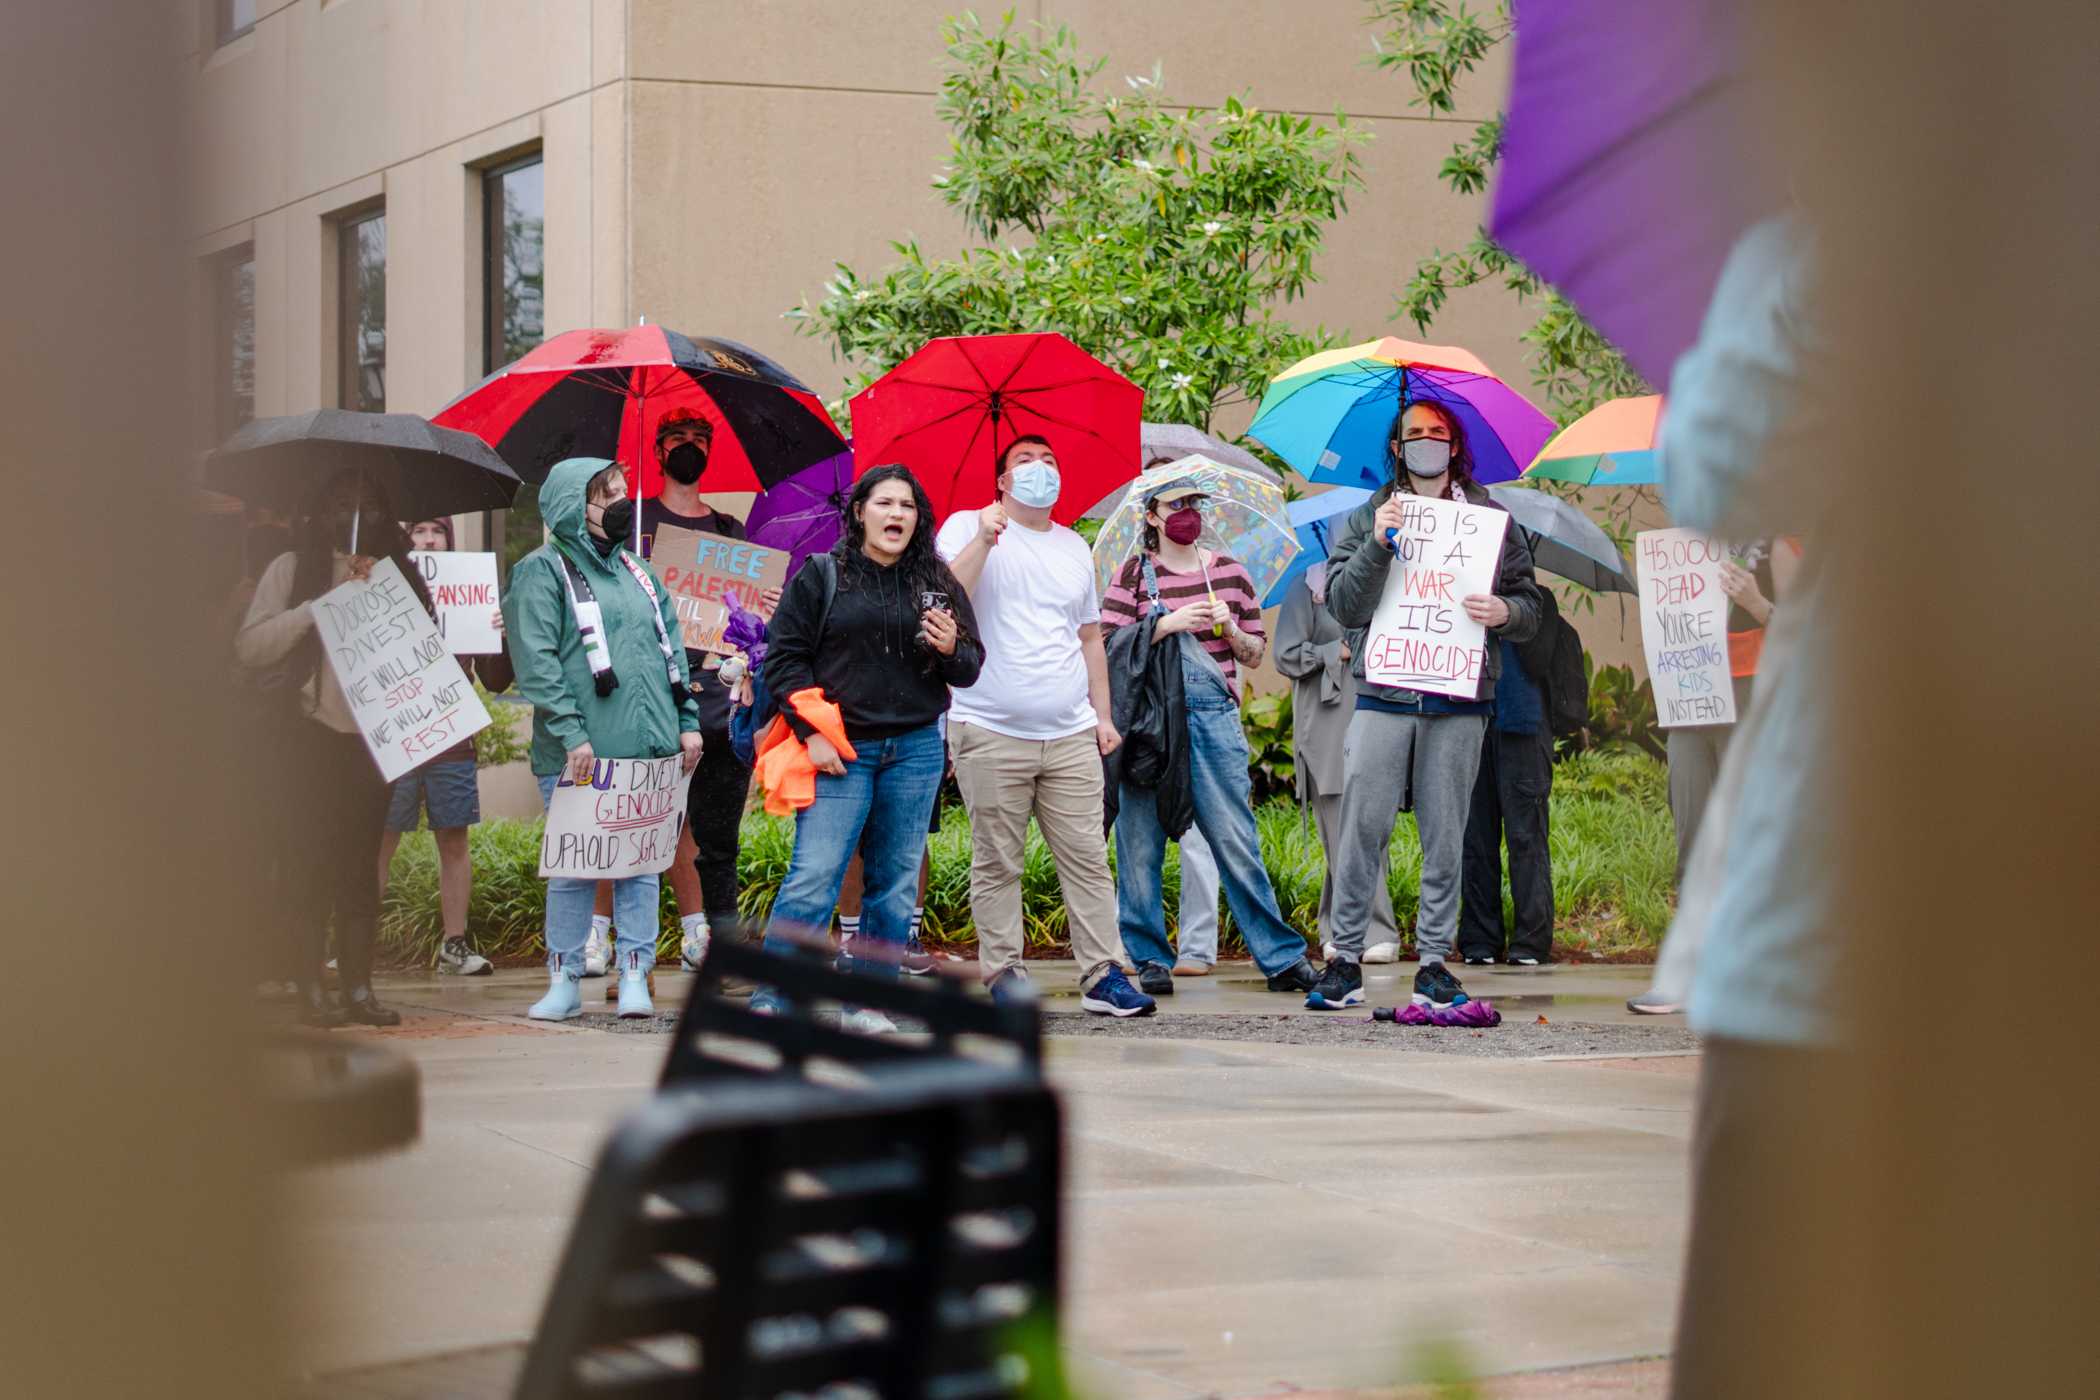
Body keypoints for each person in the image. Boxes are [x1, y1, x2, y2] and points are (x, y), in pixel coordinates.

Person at [1310, 400, 1544, 1012]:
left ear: (1455, 445)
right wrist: (1379, 544)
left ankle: (1435, 962)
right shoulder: (1368, 517)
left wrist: (1507, 612)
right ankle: (1344, 959)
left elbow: (1530, 606)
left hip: (1460, 700)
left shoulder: (1492, 520)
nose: (1425, 443)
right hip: (1384, 695)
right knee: (1363, 828)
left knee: (1448, 835)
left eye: (1436, 434)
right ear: (1396, 448)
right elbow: (1343, 605)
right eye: (1414, 435)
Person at [755, 465, 984, 1031]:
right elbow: (784, 661)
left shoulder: (935, 579)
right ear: (860, 512)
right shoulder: (821, 575)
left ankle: (869, 1002)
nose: (897, 515)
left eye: (907, 506)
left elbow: (971, 667)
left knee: (895, 884)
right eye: (885, 503)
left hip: (915, 749)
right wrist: (811, 734)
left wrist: (953, 647)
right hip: (840, 750)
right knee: (815, 875)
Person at [936, 434, 1156, 1016]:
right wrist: (985, 537)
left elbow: (1089, 638)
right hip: (988, 724)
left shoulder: (1074, 548)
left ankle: (1103, 973)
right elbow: (944, 596)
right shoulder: (968, 526)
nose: (1041, 470)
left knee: (1087, 855)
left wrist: (1102, 717)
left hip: (1069, 732)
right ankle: (1004, 969)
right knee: (997, 859)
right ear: (1002, 481)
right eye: (1025, 462)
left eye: (1050, 461)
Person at [1099, 478, 1323, 998]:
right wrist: (1164, 624)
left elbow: (1253, 654)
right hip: (1150, 723)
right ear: (1152, 516)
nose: (1188, 512)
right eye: (1176, 504)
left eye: (1194, 503)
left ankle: (1281, 957)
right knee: (1139, 841)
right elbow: (1105, 646)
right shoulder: (1133, 575)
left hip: (1213, 718)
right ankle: (1149, 956)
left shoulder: (1229, 572)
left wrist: (1230, 629)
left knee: (1235, 838)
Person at [579, 407, 778, 980]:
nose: (689, 446)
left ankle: (718, 943)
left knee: (718, 835)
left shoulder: (729, 532)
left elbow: (753, 626)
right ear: (658, 450)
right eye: (677, 439)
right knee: (630, 819)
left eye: (699, 439)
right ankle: (602, 940)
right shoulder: (635, 527)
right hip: (650, 699)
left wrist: (763, 610)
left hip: (720, 704)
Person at [504, 457, 704, 1021]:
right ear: (575, 504)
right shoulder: (541, 572)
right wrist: (571, 734)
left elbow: (672, 653)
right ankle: (564, 978)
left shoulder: (640, 573)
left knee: (640, 867)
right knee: (576, 869)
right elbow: (537, 662)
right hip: (580, 755)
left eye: (622, 488)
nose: (622, 498)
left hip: (650, 753)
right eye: (607, 492)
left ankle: (636, 974)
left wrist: (686, 722)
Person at [236, 469, 437, 1028]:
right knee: (307, 865)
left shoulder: (398, 576)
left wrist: (379, 596)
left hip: (370, 748)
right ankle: (310, 990)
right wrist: (317, 607)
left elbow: (426, 655)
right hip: (304, 740)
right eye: (342, 504)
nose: (354, 516)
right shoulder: (290, 569)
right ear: (320, 511)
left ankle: (357, 989)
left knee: (358, 870)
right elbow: (251, 647)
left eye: (368, 506)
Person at [1631, 533, 1798, 1014]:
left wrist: (1759, 603)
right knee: (1692, 832)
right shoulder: (1685, 539)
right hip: (1690, 690)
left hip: (1755, 692)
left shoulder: (1784, 539)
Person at [373, 516, 512, 977]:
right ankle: (361, 942)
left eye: (438, 532)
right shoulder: (382, 586)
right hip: (397, 734)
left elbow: (495, 681)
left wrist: (499, 633)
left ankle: (454, 945)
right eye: (419, 532)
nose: (430, 540)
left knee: (454, 839)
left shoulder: (466, 592)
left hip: (451, 739)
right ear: (405, 539)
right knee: (381, 839)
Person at [1273, 563, 1401, 962]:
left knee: (1369, 828)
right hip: (1327, 726)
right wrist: (1334, 651)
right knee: (1340, 833)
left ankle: (1337, 926)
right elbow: (1285, 654)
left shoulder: (1387, 580)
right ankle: (1372, 931)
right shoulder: (1307, 585)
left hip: (1376, 713)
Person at [1457, 588, 1558, 967]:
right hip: (1468, 719)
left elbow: (1539, 660)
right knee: (1475, 836)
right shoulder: (1459, 595)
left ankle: (1531, 941)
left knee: (1526, 834)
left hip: (1523, 723)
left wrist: (1504, 614)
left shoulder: (1538, 599)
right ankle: (1479, 939)